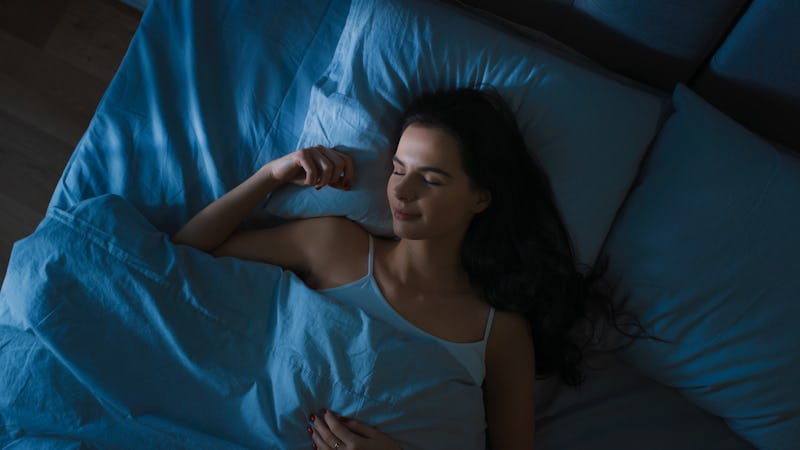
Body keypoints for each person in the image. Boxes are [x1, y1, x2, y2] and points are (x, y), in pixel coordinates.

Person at [172, 86, 637, 449]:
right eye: (397, 169)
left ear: (480, 198)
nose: (402, 191)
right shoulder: (334, 244)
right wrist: (271, 175)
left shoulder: (500, 333)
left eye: (431, 179)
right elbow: (184, 252)